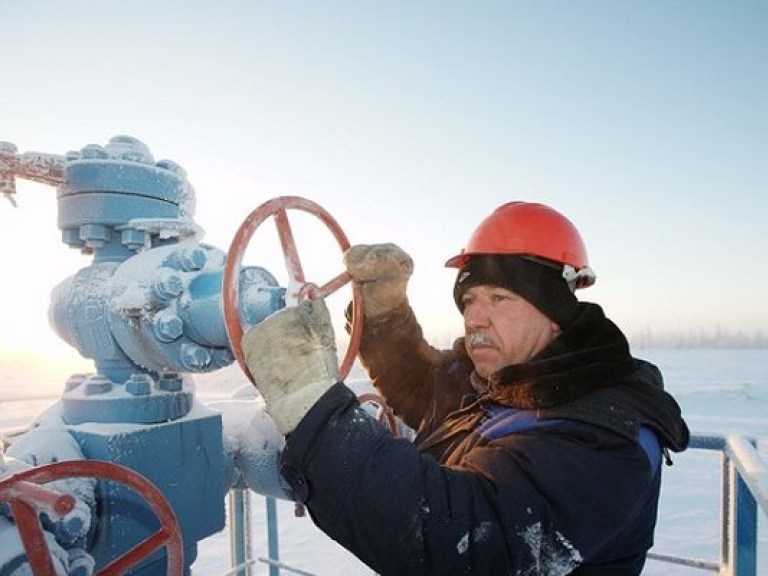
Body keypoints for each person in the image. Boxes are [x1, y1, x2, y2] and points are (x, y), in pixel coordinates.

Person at [242, 201, 690, 575]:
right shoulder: (504, 381)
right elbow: (421, 387)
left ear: (555, 314)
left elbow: (463, 541)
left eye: (499, 298)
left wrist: (311, 407)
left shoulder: (606, 435)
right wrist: (384, 316)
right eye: (470, 299)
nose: (475, 317)